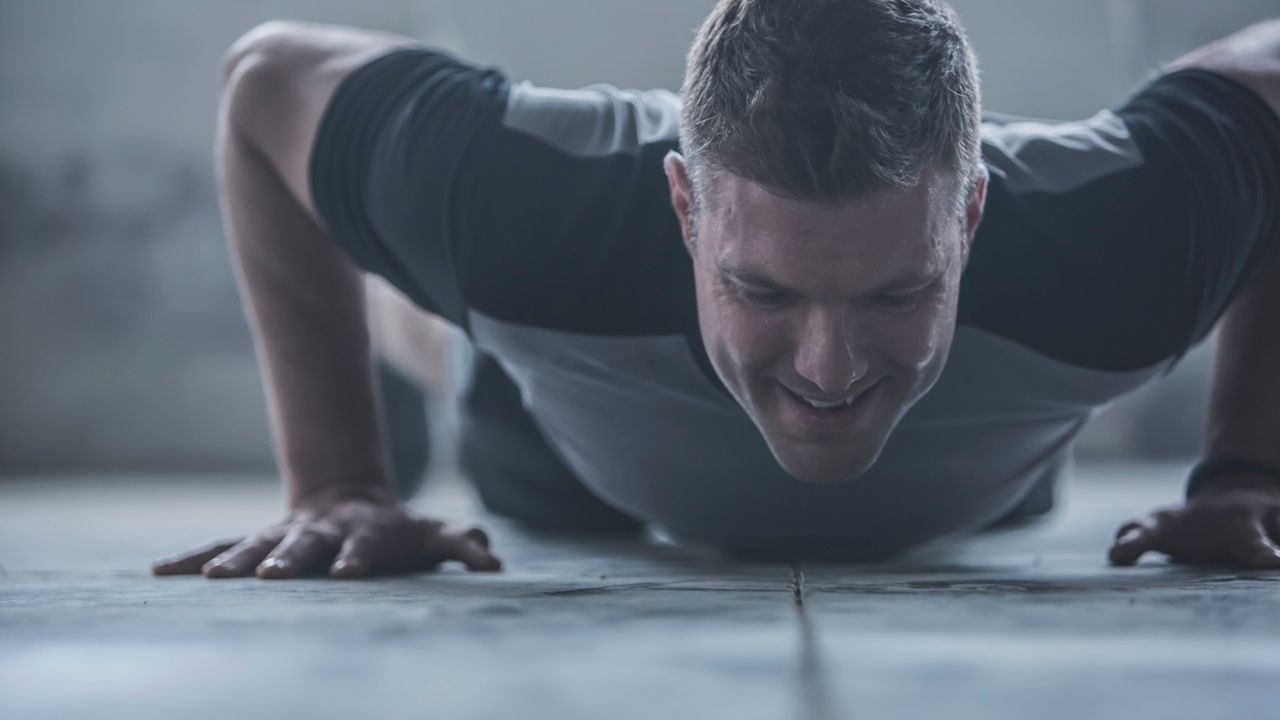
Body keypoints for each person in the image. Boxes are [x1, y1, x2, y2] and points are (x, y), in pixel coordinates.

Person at [152, 0, 1280, 579]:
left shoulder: (1122, 243)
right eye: (764, 288)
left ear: (971, 212)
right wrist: (338, 480)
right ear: (685, 209)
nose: (826, 369)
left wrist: (1246, 470)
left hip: (972, 482)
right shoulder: (521, 203)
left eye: (895, 292)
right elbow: (266, 82)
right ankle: (419, 342)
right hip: (569, 450)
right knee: (459, 342)